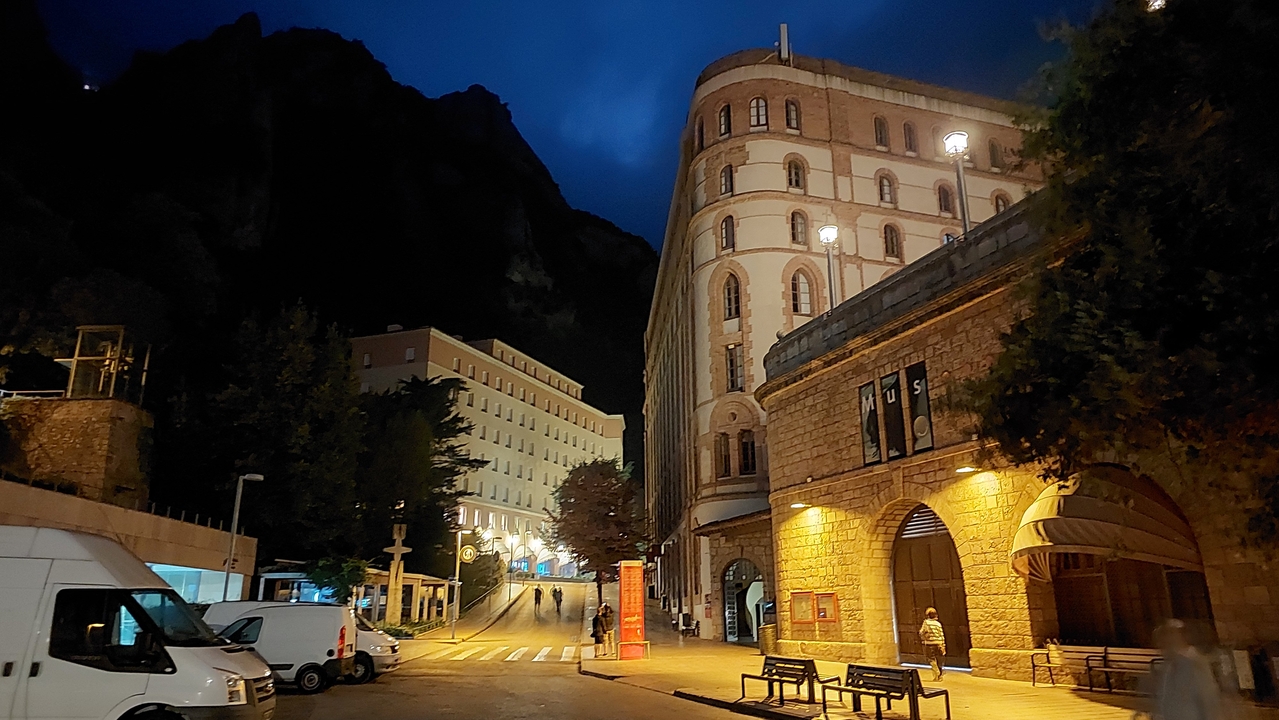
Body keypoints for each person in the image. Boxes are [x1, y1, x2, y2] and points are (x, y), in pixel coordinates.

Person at [1142, 619, 1223, 720]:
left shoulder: (1195, 662)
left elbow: (1207, 698)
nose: (1160, 644)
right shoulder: (1171, 664)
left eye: (1167, 636)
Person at [919, 607, 946, 681]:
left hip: (929, 643)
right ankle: (939, 675)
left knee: (931, 659)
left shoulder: (926, 623)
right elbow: (941, 634)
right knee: (939, 660)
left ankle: (936, 673)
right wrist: (943, 645)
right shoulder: (938, 624)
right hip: (939, 643)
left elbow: (922, 632)